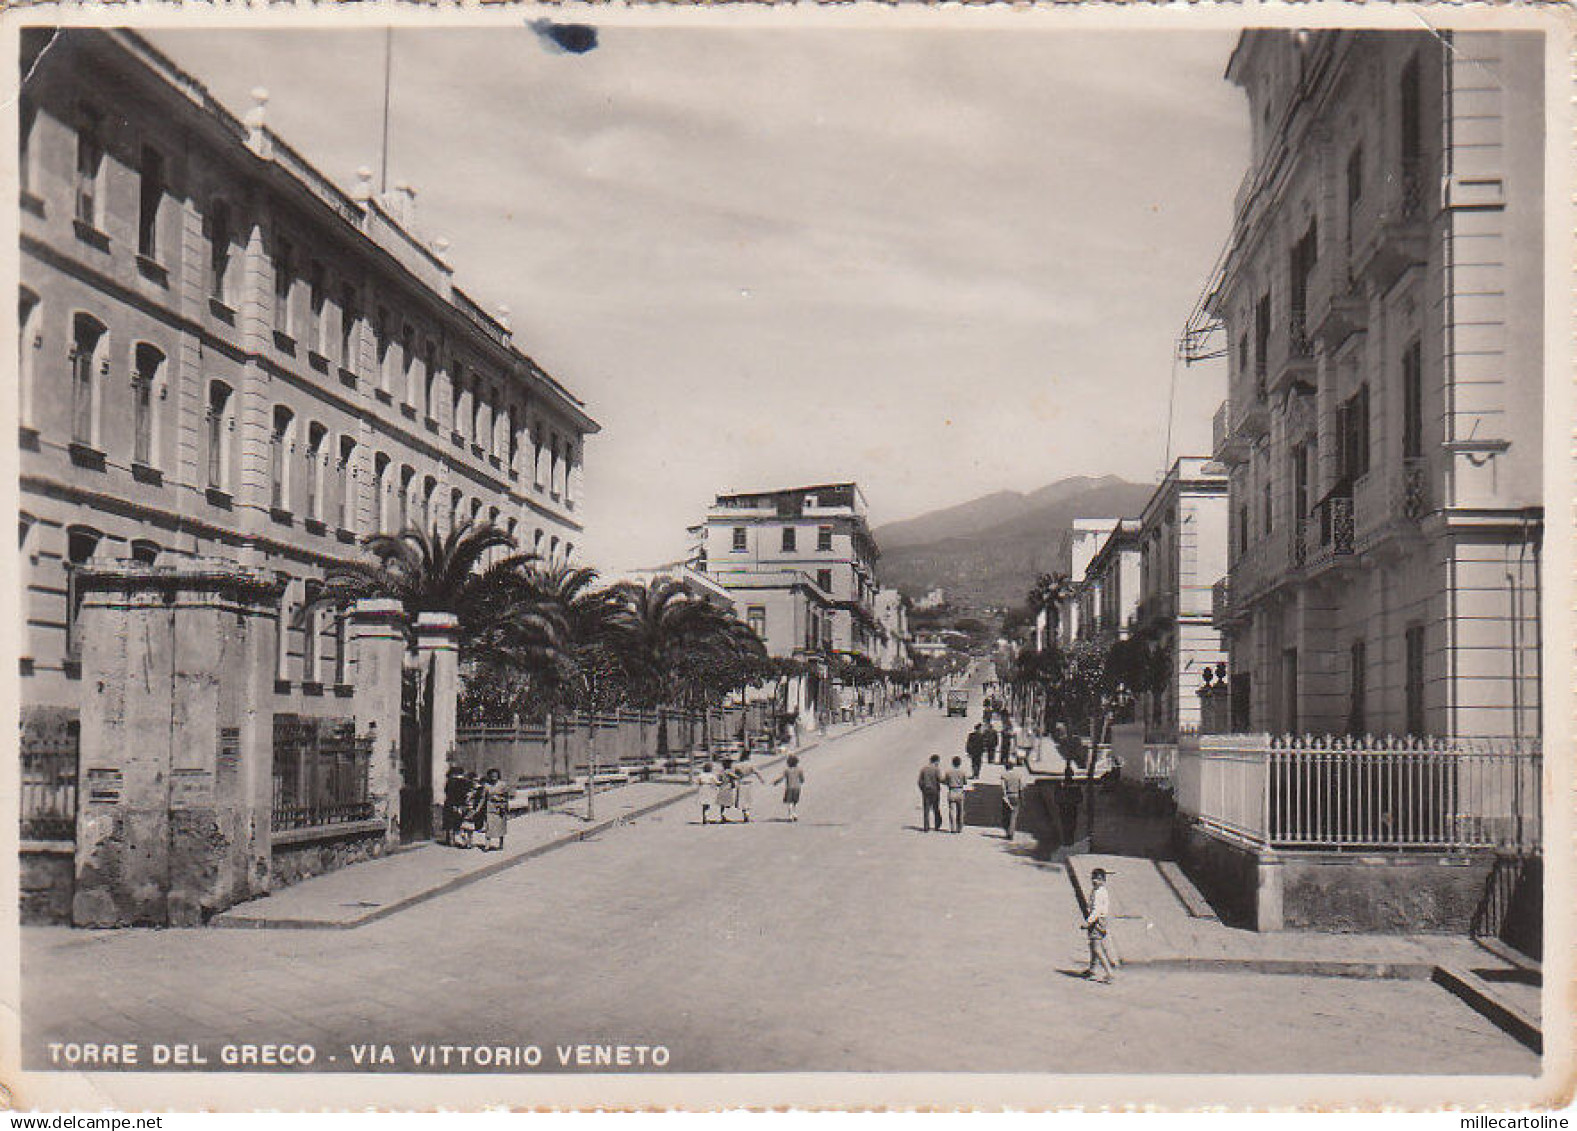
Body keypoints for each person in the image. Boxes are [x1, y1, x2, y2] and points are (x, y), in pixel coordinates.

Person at [1082, 867, 1118, 983]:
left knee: (1096, 948)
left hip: (1097, 921)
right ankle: (1092, 970)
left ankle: (1109, 973)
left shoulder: (1099, 892)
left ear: (1103, 880)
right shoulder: (1096, 890)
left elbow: (1097, 910)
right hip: (1097, 920)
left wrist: (1088, 922)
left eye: (1098, 879)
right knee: (1093, 946)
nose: (1094, 881)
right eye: (1093, 878)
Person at [479, 767, 512, 851]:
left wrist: (506, 807)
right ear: (489, 776)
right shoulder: (486, 785)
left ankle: (501, 844)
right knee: (489, 827)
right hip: (490, 808)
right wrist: (478, 808)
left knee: (501, 827)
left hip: (500, 808)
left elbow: (506, 796)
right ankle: (487, 845)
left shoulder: (502, 784)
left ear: (498, 776)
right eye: (492, 775)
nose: (494, 777)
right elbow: (483, 798)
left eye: (495, 775)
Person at [442, 766, 473, 847]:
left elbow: (449, 793)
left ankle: (451, 840)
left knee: (450, 823)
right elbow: (462, 794)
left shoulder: (450, 782)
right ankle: (456, 840)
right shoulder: (462, 782)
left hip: (451, 803)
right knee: (457, 822)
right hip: (458, 804)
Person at [1000, 756, 1028, 840]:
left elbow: (1003, 788)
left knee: (1006, 815)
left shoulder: (1004, 776)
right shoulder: (1018, 775)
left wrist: (1004, 796)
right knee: (1013, 816)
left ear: (1006, 767)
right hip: (1016, 796)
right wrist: (1022, 799)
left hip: (1007, 796)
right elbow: (1021, 788)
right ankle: (1011, 833)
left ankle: (1007, 830)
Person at [917, 754, 944, 833]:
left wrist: (922, 789)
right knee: (936, 808)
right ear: (936, 761)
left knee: (926, 809)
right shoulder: (936, 769)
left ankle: (926, 827)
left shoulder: (924, 769)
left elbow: (920, 781)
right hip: (935, 790)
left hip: (926, 790)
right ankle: (937, 824)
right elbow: (940, 779)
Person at [734, 755, 764, 822]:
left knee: (742, 799)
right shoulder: (750, 765)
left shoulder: (738, 765)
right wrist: (761, 779)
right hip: (748, 782)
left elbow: (735, 774)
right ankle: (747, 814)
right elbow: (757, 772)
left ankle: (745, 814)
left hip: (741, 782)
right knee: (748, 798)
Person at [944, 756, 970, 834]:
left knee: (952, 810)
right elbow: (965, 782)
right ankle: (960, 827)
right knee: (960, 811)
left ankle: (953, 828)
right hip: (960, 791)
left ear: (952, 763)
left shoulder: (948, 772)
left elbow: (946, 781)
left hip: (952, 790)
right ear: (960, 763)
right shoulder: (962, 772)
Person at [777, 754, 805, 822]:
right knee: (795, 801)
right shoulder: (799, 769)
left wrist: (776, 782)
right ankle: (795, 813)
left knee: (789, 802)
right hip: (797, 787)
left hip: (789, 787)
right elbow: (802, 778)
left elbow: (782, 777)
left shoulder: (787, 770)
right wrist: (801, 781)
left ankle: (790, 815)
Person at [698, 761, 720, 825]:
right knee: (708, 803)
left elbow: (698, 781)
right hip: (709, 788)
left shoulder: (701, 775)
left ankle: (704, 816)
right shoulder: (712, 775)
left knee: (704, 804)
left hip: (703, 788)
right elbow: (716, 782)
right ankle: (706, 816)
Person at [716, 758, 738, 823]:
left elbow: (719, 779)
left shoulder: (721, 772)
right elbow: (735, 777)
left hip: (722, 786)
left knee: (722, 803)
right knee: (726, 802)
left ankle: (722, 816)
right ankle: (723, 816)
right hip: (727, 787)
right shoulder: (728, 771)